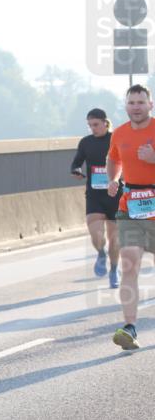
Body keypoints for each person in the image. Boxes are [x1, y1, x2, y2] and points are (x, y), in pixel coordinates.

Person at [106, 85, 155, 350]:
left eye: (141, 102)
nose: (136, 106)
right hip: (131, 204)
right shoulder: (120, 133)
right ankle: (130, 327)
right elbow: (113, 159)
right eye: (131, 102)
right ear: (126, 106)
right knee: (129, 260)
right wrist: (113, 179)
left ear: (151, 105)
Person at [71, 108, 120, 288]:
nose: (93, 128)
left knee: (115, 239)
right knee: (95, 232)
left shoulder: (116, 139)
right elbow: (76, 162)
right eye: (90, 125)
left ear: (105, 123)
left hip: (115, 194)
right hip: (94, 194)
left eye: (96, 124)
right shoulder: (86, 142)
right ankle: (101, 253)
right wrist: (76, 171)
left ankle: (114, 270)